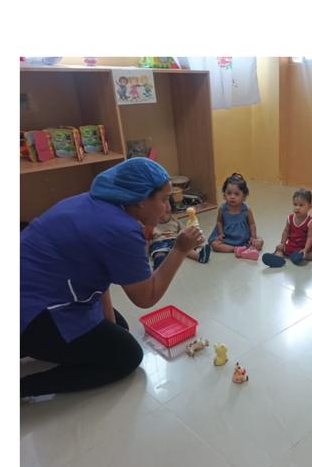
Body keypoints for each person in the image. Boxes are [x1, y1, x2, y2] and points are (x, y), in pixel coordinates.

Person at [20, 157, 206, 399]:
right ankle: (23, 388)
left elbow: (101, 274)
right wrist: (179, 249)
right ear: (141, 200)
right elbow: (146, 297)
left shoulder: (96, 203)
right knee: (126, 356)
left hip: (38, 286)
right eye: (163, 200)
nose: (168, 208)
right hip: (34, 309)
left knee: (119, 327)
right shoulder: (121, 230)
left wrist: (109, 325)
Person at [261, 188, 312, 267]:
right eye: (295, 204)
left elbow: (310, 237)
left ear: (310, 206)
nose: (297, 207)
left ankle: (304, 256)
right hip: (291, 246)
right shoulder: (290, 218)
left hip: (303, 248)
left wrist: (306, 249)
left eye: (301, 205)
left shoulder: (311, 222)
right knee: (279, 248)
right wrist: (282, 243)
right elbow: (286, 231)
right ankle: (279, 256)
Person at [207, 173, 262, 258]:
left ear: (244, 196)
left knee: (260, 242)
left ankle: (249, 249)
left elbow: (252, 224)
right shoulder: (223, 209)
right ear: (224, 194)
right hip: (227, 237)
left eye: (236, 194)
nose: (232, 197)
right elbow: (219, 222)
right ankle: (236, 249)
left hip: (243, 238)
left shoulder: (246, 210)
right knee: (214, 244)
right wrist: (220, 233)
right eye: (229, 193)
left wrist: (253, 237)